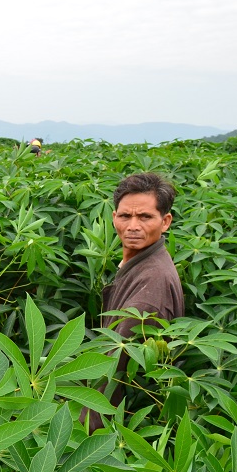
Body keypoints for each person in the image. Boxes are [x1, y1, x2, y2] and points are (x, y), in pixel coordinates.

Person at [81, 173, 184, 432]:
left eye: (145, 217)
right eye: (126, 216)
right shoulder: (141, 264)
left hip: (122, 426)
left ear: (165, 222)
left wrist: (78, 439)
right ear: (114, 217)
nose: (133, 225)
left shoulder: (151, 291)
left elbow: (113, 373)